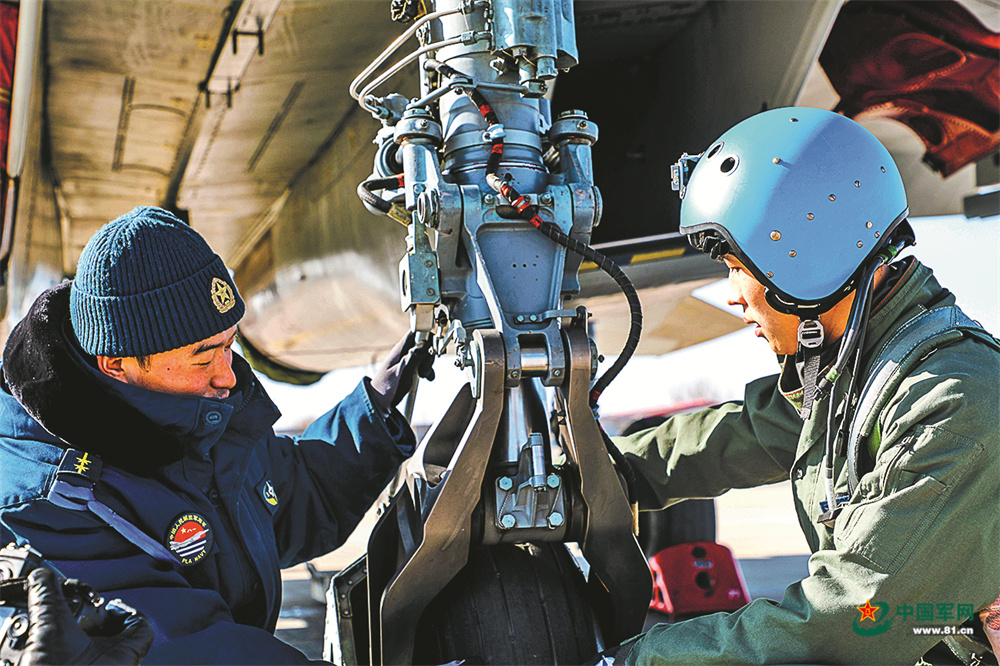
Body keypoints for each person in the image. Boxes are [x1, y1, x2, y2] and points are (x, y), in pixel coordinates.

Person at [609, 108, 1000, 664]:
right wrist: (605, 474)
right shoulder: (864, 375)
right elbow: (740, 435)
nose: (732, 296)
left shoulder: (952, 400)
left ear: (802, 257)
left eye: (737, 267)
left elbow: (847, 623)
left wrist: (631, 661)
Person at [0, 207, 430, 663]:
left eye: (230, 345)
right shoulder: (54, 500)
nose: (227, 376)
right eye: (203, 357)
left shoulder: (196, 415)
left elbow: (287, 499)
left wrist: (373, 413)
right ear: (116, 364)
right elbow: (189, 649)